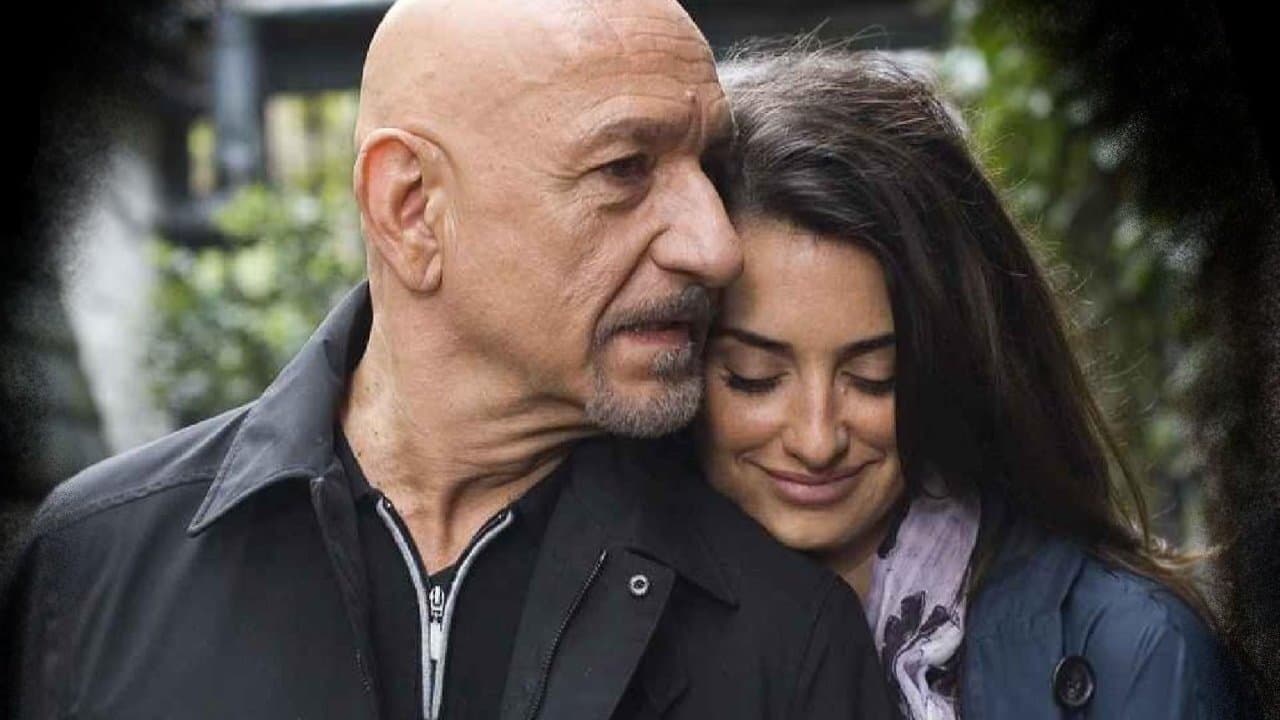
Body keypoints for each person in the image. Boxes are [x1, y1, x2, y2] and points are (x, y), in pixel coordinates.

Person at [0, 5, 897, 719]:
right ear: (412, 209)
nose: (715, 245)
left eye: (709, 168)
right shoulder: (94, 566)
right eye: (626, 168)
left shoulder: (787, 633)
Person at [697, 45, 1256, 718]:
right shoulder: (617, 624)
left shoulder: (1135, 651)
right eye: (755, 378)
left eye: (876, 378)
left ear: (952, 362)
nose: (817, 440)